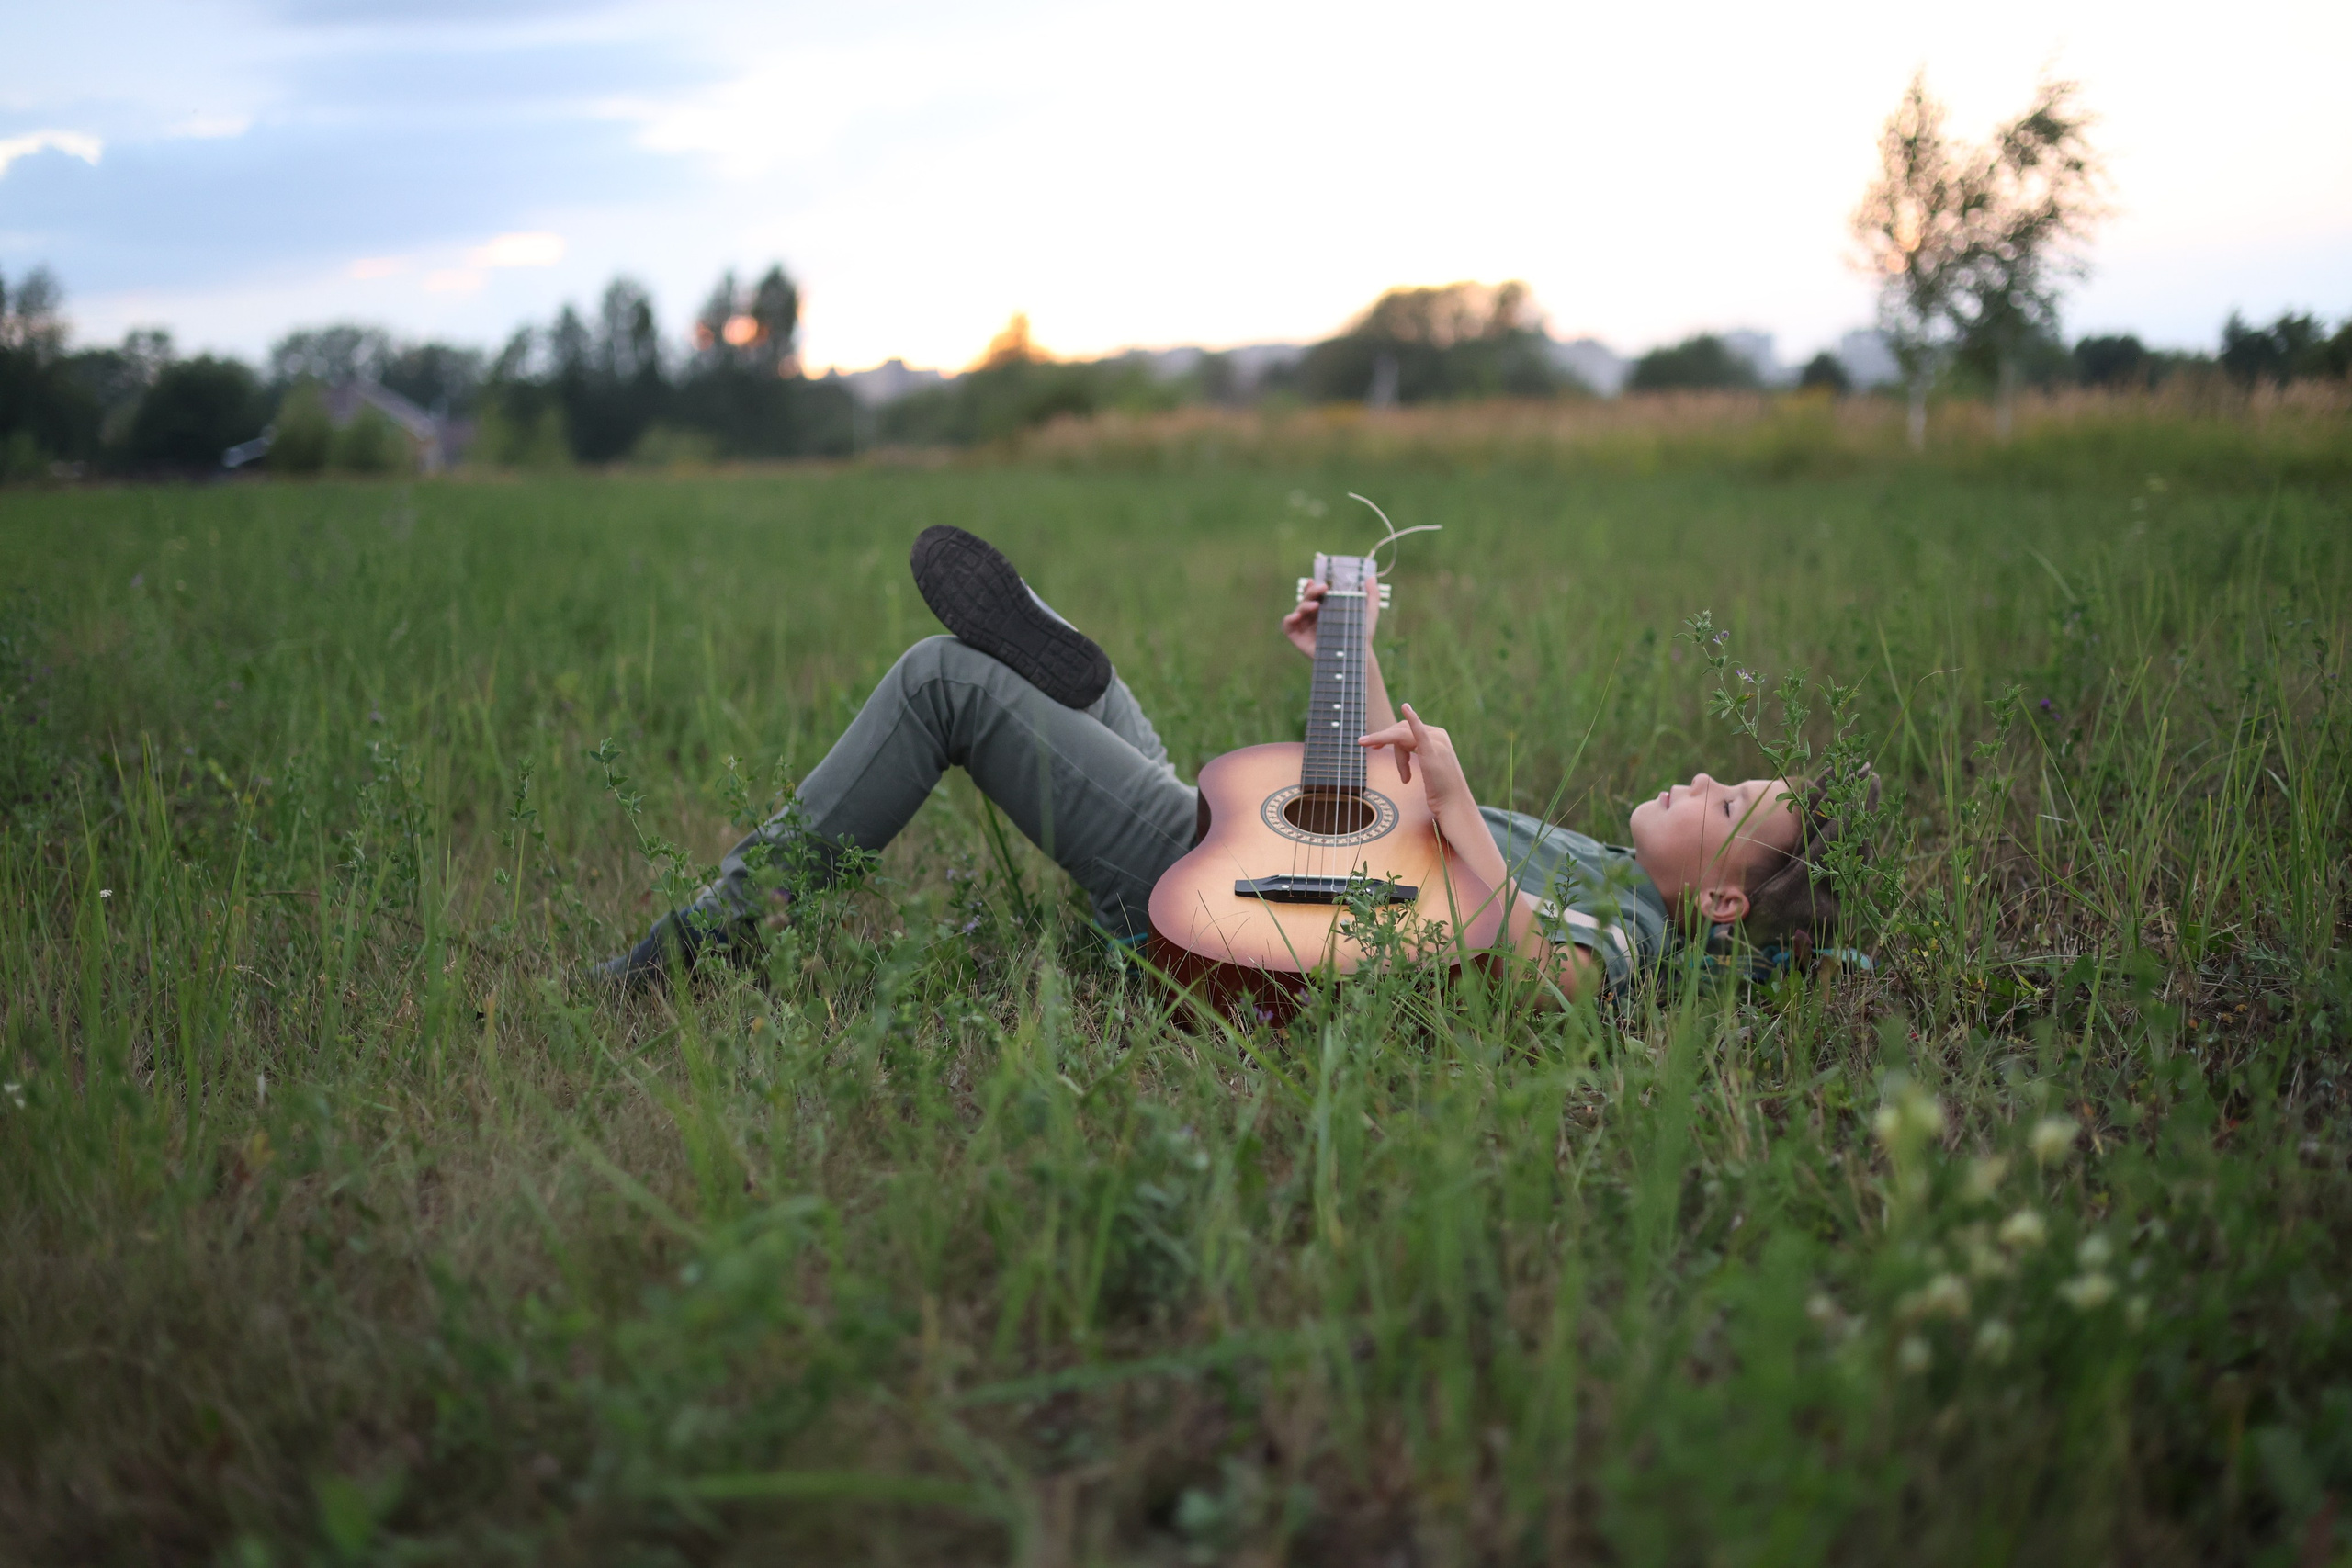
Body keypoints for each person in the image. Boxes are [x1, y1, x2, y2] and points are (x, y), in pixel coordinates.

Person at [595, 526, 1871, 999]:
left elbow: (1541, 974)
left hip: (1230, 908)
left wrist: (1464, 802)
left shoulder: (1627, 935)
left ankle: (692, 953)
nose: (1698, 778)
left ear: (1720, 902)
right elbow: (1398, 816)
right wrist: (1353, 659)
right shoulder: (1598, 862)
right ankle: (1067, 685)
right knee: (1095, 704)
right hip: (1251, 847)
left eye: (1724, 801)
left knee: (943, 682)